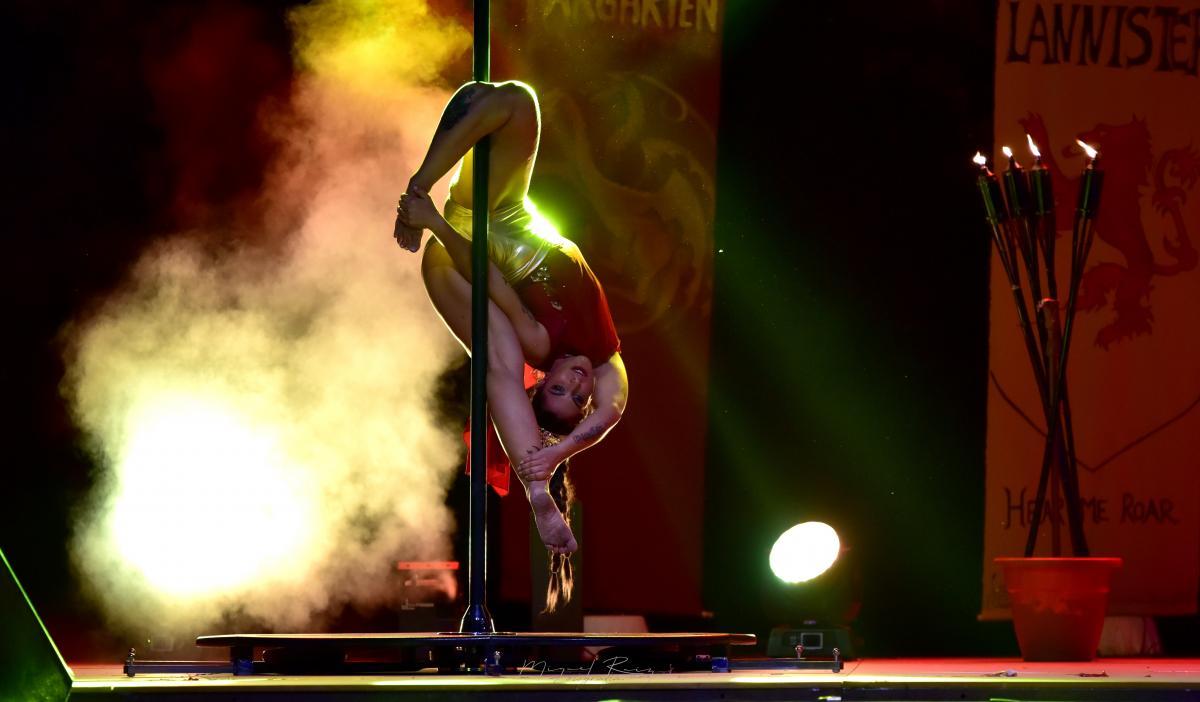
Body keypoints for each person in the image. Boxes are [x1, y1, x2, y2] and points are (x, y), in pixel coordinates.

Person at [393, 81, 629, 569]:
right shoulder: (606, 361)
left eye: (558, 390)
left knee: (500, 352)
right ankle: (427, 176)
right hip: (513, 217)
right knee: (517, 100)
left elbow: (491, 280)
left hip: (462, 249)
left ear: (542, 380)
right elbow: (610, 414)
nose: (576, 383)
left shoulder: (540, 344)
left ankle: (535, 490)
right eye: (578, 397)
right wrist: (560, 452)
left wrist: (433, 221)